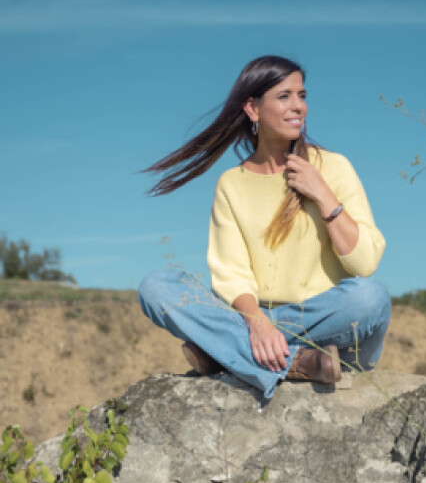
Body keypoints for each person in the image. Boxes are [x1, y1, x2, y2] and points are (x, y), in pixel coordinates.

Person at [138, 55, 391, 400]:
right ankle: (298, 362)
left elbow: (365, 262)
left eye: (302, 95)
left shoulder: (333, 167)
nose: (298, 106)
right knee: (155, 287)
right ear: (253, 109)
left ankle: (225, 352)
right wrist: (257, 323)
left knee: (371, 298)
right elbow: (231, 273)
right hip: (255, 316)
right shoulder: (232, 184)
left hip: (325, 323)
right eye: (284, 96)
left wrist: (323, 195)